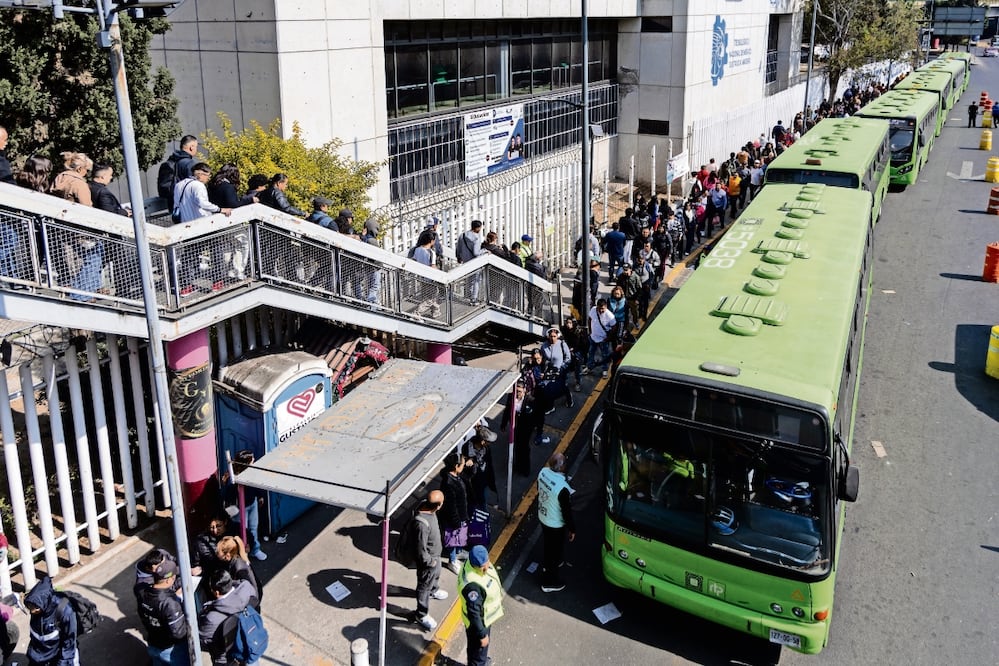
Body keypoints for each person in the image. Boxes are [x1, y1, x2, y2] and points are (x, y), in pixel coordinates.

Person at [174, 162, 233, 295]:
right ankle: (218, 282)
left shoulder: (179, 185)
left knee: (190, 255)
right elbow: (202, 203)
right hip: (203, 224)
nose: (208, 178)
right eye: (208, 175)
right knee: (217, 250)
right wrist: (220, 209)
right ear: (201, 174)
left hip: (186, 225)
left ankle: (186, 286)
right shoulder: (198, 185)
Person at [198, 569, 260, 666]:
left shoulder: (212, 618)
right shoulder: (247, 588)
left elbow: (202, 640)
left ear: (217, 592)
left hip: (228, 660)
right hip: (250, 647)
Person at [136, 559, 190, 666]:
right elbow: (179, 633)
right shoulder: (170, 604)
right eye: (174, 577)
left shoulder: (143, 592)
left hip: (153, 643)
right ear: (168, 580)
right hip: (171, 651)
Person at [458, 545, 504, 666]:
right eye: (483, 567)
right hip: (478, 624)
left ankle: (480, 661)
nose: (487, 567)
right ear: (476, 566)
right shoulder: (472, 586)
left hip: (485, 618)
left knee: (477, 651)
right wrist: (482, 635)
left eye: (487, 562)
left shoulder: (471, 564)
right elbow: (474, 614)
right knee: (478, 653)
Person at [537, 452, 575, 593]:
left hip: (543, 516)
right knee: (553, 551)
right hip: (555, 524)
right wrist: (572, 529)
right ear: (561, 467)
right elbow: (566, 512)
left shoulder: (543, 472)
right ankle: (549, 583)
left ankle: (552, 564)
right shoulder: (562, 488)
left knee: (549, 546)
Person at [411, 489, 448, 631]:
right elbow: (420, 550)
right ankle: (421, 614)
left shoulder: (429, 509)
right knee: (423, 587)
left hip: (435, 557)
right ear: (438, 505)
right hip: (429, 562)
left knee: (435, 576)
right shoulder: (421, 524)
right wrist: (431, 562)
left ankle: (434, 589)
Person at [24, 574, 78, 666]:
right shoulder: (37, 608)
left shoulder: (65, 611)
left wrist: (64, 663)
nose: (32, 611)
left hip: (57, 657)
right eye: (29, 607)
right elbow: (35, 636)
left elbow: (69, 641)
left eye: (35, 608)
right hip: (40, 657)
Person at [230, 449, 267, 561]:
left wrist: (259, 496)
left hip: (252, 503)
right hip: (241, 508)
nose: (254, 460)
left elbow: (255, 485)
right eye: (252, 459)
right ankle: (242, 553)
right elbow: (230, 493)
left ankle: (255, 550)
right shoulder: (234, 476)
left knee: (253, 528)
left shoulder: (252, 472)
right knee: (242, 531)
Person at [439, 452, 472, 574]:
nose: (464, 466)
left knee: (460, 537)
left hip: (461, 514)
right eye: (462, 464)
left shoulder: (456, 476)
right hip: (454, 518)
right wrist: (456, 521)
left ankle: (459, 552)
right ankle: (452, 561)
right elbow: (451, 506)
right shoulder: (448, 483)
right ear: (456, 466)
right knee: (453, 539)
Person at [501, 380, 536, 477]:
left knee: (524, 449)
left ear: (524, 390)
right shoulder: (511, 397)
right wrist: (503, 424)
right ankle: (518, 466)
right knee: (516, 448)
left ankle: (525, 469)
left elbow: (535, 416)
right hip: (515, 427)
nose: (517, 394)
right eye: (516, 391)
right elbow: (507, 411)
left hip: (525, 429)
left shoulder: (531, 400)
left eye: (519, 391)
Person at [216, 535, 262, 605]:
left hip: (251, 601)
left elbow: (248, 588)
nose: (217, 555)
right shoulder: (235, 560)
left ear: (227, 555)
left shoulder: (240, 569)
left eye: (218, 553)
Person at [157, 134, 198, 211]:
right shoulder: (189, 163)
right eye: (196, 147)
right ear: (191, 147)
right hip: (186, 206)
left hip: (173, 204)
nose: (196, 149)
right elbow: (194, 186)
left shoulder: (172, 160)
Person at [462, 426, 498, 508]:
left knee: (483, 498)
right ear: (482, 441)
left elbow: (489, 462)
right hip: (474, 482)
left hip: (484, 477)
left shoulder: (486, 448)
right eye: (488, 442)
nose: (489, 444)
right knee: (478, 501)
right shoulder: (468, 450)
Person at [540, 326, 574, 409]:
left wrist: (562, 367)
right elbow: (542, 358)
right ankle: (550, 406)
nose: (552, 338)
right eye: (551, 336)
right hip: (550, 371)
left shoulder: (562, 344)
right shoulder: (544, 346)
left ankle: (569, 398)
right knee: (549, 387)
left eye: (554, 336)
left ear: (557, 336)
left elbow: (568, 357)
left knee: (563, 386)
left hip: (561, 370)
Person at [583, 298, 617, 379]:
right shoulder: (593, 310)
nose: (601, 310)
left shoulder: (610, 316)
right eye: (599, 308)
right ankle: (589, 367)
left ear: (606, 307)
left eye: (603, 309)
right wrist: (590, 331)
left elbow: (614, 327)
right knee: (591, 353)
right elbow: (589, 319)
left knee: (605, 355)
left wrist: (608, 338)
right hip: (593, 337)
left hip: (603, 339)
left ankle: (605, 370)